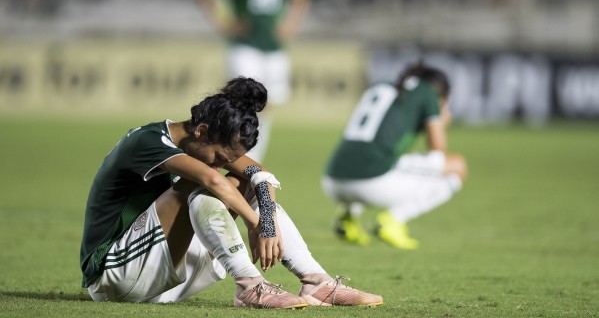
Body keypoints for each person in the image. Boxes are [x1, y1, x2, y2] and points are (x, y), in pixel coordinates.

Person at [80, 76, 383, 309]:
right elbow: (213, 181)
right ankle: (250, 285)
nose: (222, 163)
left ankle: (315, 281)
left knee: (242, 181)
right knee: (198, 187)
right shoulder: (147, 140)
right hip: (114, 276)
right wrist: (255, 223)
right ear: (201, 131)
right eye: (220, 156)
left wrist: (266, 223)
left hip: (162, 274)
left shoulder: (204, 141)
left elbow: (260, 175)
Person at [195, 0, 310, 162]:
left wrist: (291, 24)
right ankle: (229, 148)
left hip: (274, 47)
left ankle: (250, 149)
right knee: (241, 99)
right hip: (244, 45)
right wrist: (222, 22)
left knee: (270, 102)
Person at [322, 64, 468, 250]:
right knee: (457, 166)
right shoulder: (428, 92)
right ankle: (393, 220)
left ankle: (347, 218)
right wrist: (440, 120)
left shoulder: (380, 87)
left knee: (371, 155)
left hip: (332, 181)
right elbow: (437, 147)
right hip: (372, 182)